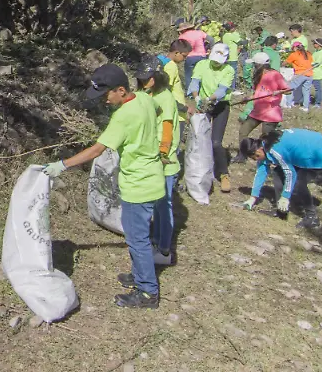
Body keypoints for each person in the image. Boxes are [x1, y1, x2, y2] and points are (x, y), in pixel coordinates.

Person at [45, 64, 165, 310]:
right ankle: (139, 275)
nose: (105, 101)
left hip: (138, 184)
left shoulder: (123, 115)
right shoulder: (143, 98)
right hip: (151, 177)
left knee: (137, 239)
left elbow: (98, 149)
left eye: (107, 95)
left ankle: (147, 292)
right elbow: (159, 107)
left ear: (121, 90)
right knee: (137, 235)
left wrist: (62, 164)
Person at [239, 129, 322, 229]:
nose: (256, 160)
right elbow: (261, 171)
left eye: (256, 157)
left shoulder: (275, 150)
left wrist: (285, 197)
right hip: (304, 151)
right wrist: (253, 198)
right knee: (277, 172)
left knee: (298, 182)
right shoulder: (264, 146)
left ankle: (312, 217)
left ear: (258, 150)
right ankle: (281, 211)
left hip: (321, 151)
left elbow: (290, 173)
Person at [136, 60, 182, 267]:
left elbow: (166, 130)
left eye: (146, 79)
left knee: (164, 205)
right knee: (155, 202)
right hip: (150, 158)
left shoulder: (165, 98)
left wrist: (162, 154)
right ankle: (155, 241)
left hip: (164, 161)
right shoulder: (148, 95)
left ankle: (164, 250)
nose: (143, 82)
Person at [188, 42, 235, 193]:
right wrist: (197, 99)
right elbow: (194, 83)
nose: (216, 63)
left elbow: (222, 90)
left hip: (220, 105)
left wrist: (210, 99)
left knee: (215, 142)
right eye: (214, 60)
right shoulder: (202, 64)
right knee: (201, 139)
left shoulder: (228, 70)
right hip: (203, 105)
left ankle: (223, 174)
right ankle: (201, 172)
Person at [234, 52, 292, 158]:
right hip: (257, 111)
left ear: (259, 64)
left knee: (266, 138)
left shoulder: (275, 75)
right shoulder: (259, 75)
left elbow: (288, 90)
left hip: (270, 113)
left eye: (254, 64)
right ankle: (242, 155)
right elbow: (258, 93)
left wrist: (279, 91)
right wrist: (248, 99)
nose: (253, 67)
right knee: (243, 131)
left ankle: (266, 158)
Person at [283, 42, 315, 113]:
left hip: (300, 74)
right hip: (310, 74)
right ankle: (305, 107)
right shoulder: (308, 54)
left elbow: (285, 63)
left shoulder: (295, 54)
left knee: (290, 88)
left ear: (295, 47)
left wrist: (281, 65)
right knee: (306, 91)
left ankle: (288, 104)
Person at [174, 18, 209, 83]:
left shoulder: (182, 36)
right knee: (201, 75)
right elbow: (211, 39)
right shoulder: (200, 33)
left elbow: (179, 47)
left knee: (189, 76)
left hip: (190, 58)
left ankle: (189, 91)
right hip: (202, 57)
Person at [311, 38, 322, 109]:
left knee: (318, 89)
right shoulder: (316, 51)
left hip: (317, 73)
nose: (313, 44)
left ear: (319, 45)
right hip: (311, 72)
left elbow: (317, 63)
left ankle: (318, 103)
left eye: (314, 43)